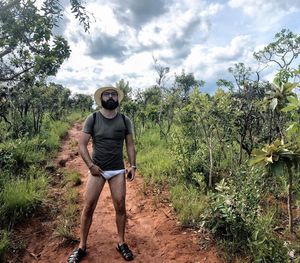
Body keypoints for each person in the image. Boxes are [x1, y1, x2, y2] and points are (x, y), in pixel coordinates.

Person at [67, 85, 136, 262]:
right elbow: (82, 144)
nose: (111, 97)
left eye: (114, 94)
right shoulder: (93, 118)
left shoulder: (124, 120)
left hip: (117, 170)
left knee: (120, 206)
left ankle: (121, 242)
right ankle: (82, 246)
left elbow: (129, 144)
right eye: (107, 95)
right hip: (97, 170)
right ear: (101, 99)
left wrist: (132, 165)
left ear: (118, 98)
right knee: (89, 206)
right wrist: (90, 166)